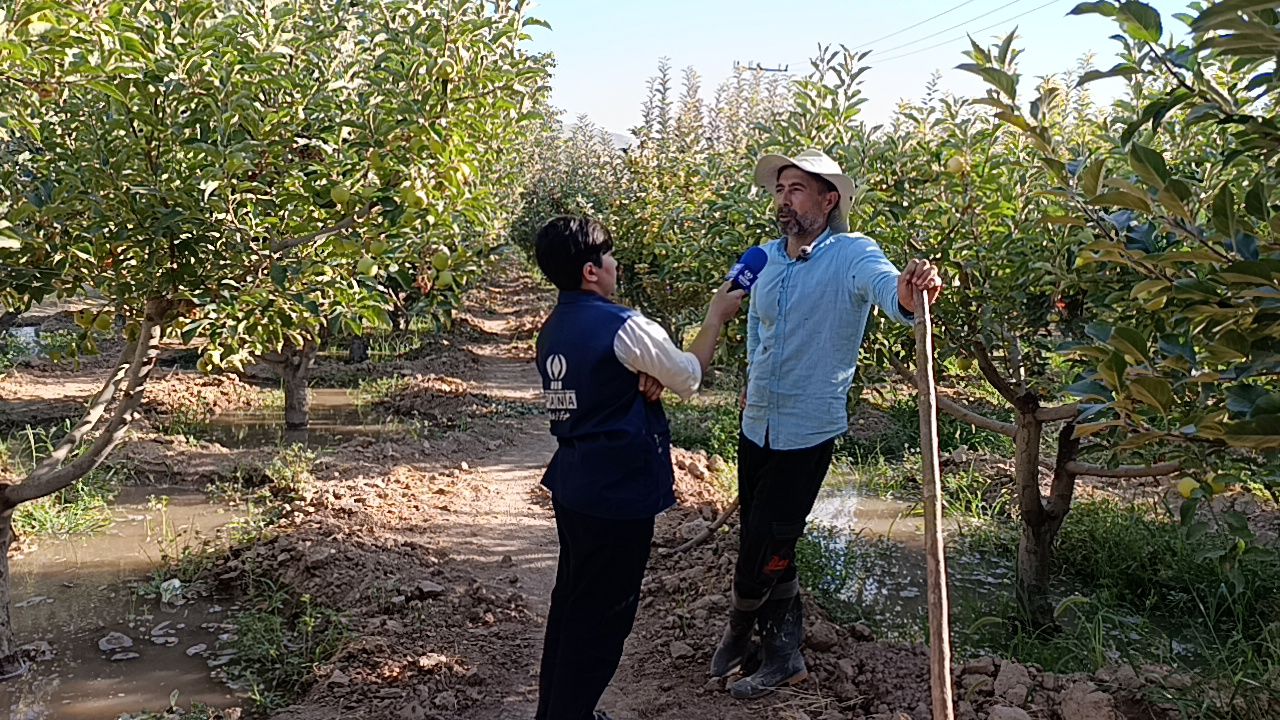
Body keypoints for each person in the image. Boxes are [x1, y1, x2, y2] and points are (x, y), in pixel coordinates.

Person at [709, 149, 943, 699]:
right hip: (757, 421)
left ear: (827, 198)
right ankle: (770, 642)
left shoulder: (853, 254)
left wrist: (912, 289)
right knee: (760, 534)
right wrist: (750, 373)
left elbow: (892, 292)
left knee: (771, 541)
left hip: (806, 428)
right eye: (779, 190)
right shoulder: (763, 258)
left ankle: (753, 635)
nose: (782, 199)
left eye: (794, 189)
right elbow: (752, 325)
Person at [532, 215, 745, 720]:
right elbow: (688, 377)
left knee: (571, 603)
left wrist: (648, 377)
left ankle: (559, 712)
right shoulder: (625, 325)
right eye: (608, 257)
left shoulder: (553, 328)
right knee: (604, 618)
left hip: (576, 482)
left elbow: (613, 381)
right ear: (590, 271)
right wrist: (714, 315)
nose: (616, 265)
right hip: (617, 491)